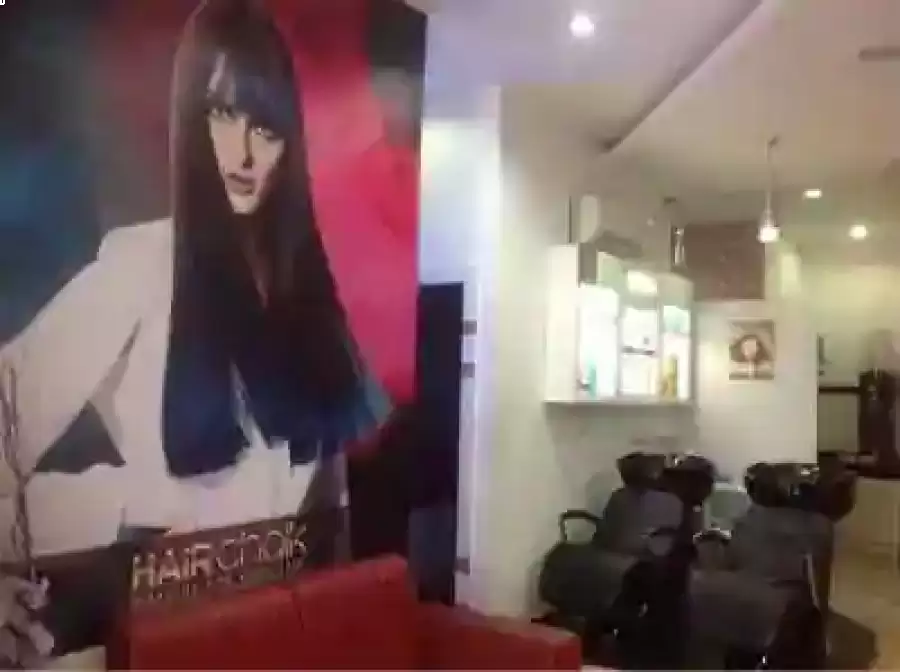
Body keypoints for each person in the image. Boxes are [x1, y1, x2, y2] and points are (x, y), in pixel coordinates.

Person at [0, 0, 390, 556]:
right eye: (223, 115)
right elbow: (10, 407)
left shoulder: (303, 294)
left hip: (280, 599)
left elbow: (327, 505)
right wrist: (119, 512)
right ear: (191, 118)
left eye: (265, 126)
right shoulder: (142, 264)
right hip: (173, 599)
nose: (244, 153)